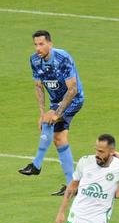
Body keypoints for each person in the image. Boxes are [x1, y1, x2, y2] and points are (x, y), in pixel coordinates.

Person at [18, 30, 84, 197]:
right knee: (59, 139)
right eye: (35, 44)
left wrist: (56, 112)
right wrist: (42, 112)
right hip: (56, 102)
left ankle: (36, 165)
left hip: (73, 99)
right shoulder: (34, 60)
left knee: (50, 124)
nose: (38, 48)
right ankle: (71, 186)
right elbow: (38, 87)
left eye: (41, 44)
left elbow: (73, 89)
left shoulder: (63, 58)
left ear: (50, 44)